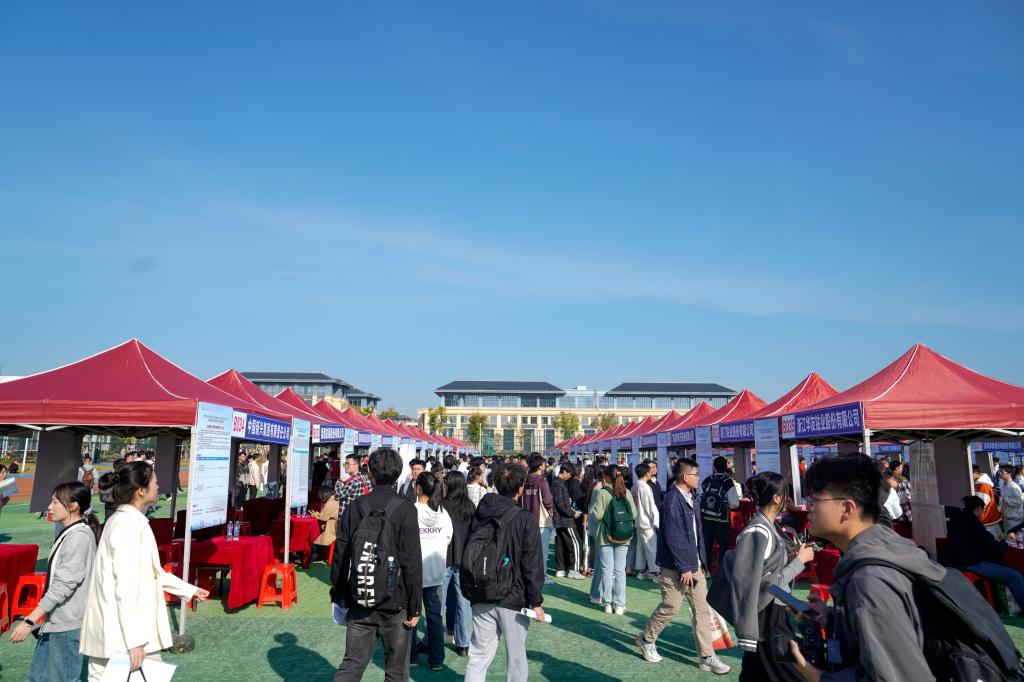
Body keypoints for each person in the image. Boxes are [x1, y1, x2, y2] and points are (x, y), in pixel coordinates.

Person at [788, 454, 945, 682]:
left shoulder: (870, 579)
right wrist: (829, 619)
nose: (808, 508)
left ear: (847, 509)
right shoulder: (883, 550)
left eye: (815, 500)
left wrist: (817, 676)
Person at [81, 461, 209, 680]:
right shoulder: (127, 526)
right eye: (154, 482)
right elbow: (125, 587)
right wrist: (134, 641)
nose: (158, 486)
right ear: (141, 490)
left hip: (119, 634)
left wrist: (188, 590)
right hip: (123, 637)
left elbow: (152, 572)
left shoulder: (127, 520)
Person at [708, 472, 813, 681]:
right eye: (786, 494)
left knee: (757, 672)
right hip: (766, 614)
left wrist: (792, 557)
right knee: (788, 671)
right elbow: (756, 584)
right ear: (776, 498)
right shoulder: (758, 531)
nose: (788, 500)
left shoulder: (767, 527)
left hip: (770, 611)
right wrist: (799, 561)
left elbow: (766, 574)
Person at [331, 448, 422, 682]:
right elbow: (411, 561)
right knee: (396, 672)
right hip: (396, 600)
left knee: (352, 664)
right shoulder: (406, 508)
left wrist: (338, 594)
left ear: (369, 472)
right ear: (398, 473)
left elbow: (341, 554)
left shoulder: (355, 506)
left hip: (360, 595)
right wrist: (415, 606)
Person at [636, 458, 730, 675]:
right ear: (685, 477)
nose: (699, 478)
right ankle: (646, 639)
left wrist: (700, 562)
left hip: (693, 564)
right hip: (676, 567)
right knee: (671, 606)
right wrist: (685, 567)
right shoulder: (672, 500)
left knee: (702, 610)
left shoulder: (691, 497)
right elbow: (673, 536)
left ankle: (706, 656)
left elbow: (696, 535)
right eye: (695, 474)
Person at [7, 481, 100, 681]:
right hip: (56, 622)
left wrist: (29, 620)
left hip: (66, 624)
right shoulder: (72, 533)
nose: (49, 507)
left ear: (73, 506)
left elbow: (63, 586)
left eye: (55, 502)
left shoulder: (78, 537)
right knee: (38, 678)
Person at [463, 462, 546, 682]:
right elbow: (532, 564)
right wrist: (536, 601)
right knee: (516, 658)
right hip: (513, 597)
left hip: (481, 590)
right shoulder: (525, 518)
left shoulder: (481, 512)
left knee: (478, 656)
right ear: (520, 488)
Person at [947, 495, 1024, 613]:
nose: (982, 513)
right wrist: (1005, 543)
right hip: (971, 564)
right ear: (978, 508)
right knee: (1015, 576)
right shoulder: (974, 523)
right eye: (983, 510)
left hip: (954, 562)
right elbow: (993, 545)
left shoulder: (955, 519)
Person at [409, 472, 453, 671]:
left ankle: (411, 656)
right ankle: (436, 660)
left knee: (410, 615)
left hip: (414, 573)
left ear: (418, 488)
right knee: (435, 617)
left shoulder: (411, 511)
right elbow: (448, 538)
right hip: (436, 572)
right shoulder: (442, 513)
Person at [589, 464, 638, 615]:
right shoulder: (626, 492)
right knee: (620, 570)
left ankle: (607, 603)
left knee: (607, 570)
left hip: (605, 536)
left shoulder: (603, 493)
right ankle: (620, 604)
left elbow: (597, 515)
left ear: (606, 477)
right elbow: (634, 514)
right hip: (623, 536)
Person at [441, 470, 474, 656]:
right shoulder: (469, 506)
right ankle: (464, 643)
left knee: (438, 602)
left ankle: (432, 639)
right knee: (464, 603)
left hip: (444, 558)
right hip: (463, 559)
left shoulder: (442, 505)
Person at [700, 456, 740, 569]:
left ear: (714, 466)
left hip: (706, 518)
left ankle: (705, 569)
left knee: (706, 546)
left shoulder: (707, 479)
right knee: (723, 546)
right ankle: (722, 571)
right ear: (726, 466)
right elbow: (734, 503)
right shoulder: (728, 481)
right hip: (722, 519)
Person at [523, 454, 555, 584]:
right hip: (541, 520)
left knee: (529, 550)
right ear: (540, 466)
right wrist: (551, 510)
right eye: (543, 463)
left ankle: (530, 574)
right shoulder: (542, 481)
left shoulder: (525, 480)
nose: (544, 465)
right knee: (542, 551)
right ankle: (542, 576)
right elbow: (548, 501)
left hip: (527, 518)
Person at [551, 462, 585, 579]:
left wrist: (567, 502)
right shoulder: (560, 485)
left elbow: (559, 502)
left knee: (560, 544)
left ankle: (560, 569)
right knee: (577, 543)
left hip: (557, 520)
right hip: (565, 520)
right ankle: (574, 569)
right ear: (564, 472)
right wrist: (573, 513)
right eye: (569, 474)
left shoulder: (554, 483)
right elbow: (562, 506)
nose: (569, 476)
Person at [633, 462, 660, 580]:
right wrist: (656, 522)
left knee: (641, 547)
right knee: (651, 547)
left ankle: (641, 571)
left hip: (638, 520)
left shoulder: (635, 486)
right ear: (647, 473)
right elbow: (650, 507)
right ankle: (655, 573)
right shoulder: (645, 487)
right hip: (647, 521)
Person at [334, 454, 374, 519]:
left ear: (356, 465)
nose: (346, 466)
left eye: (348, 464)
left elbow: (337, 496)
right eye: (345, 464)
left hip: (348, 518)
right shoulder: (366, 479)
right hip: (361, 516)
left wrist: (339, 482)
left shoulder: (352, 482)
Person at [311, 487, 340, 559]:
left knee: (314, 538)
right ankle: (320, 554)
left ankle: (315, 555)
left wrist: (316, 514)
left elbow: (323, 517)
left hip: (332, 530)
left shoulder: (331, 503)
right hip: (337, 527)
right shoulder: (335, 499)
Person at [973, 465, 1002, 534]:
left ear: (976, 473)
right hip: (987, 518)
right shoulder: (978, 483)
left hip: (987, 519)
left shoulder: (983, 486)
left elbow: (981, 504)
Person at [999, 465, 1024, 532]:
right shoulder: (1003, 486)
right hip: (1007, 518)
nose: (1000, 473)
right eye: (999, 471)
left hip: (1015, 519)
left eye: (1002, 472)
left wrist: (1005, 499)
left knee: (1014, 537)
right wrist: (1001, 512)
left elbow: (1019, 502)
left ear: (1009, 474)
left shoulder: (1014, 487)